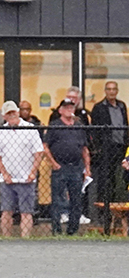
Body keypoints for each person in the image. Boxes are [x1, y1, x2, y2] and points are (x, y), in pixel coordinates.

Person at [0, 100, 44, 237]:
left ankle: (25, 238)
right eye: (8, 114)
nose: (12, 115)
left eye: (13, 112)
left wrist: (33, 173)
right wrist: (5, 174)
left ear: (18, 112)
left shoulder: (30, 128)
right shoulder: (0, 131)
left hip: (26, 178)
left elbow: (38, 153)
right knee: (6, 211)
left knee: (26, 212)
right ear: (4, 116)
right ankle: (6, 238)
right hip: (7, 180)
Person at [45, 97, 92, 235]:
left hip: (76, 166)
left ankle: (73, 230)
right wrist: (54, 164)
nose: (69, 110)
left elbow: (84, 149)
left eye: (71, 107)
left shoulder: (79, 126)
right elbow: (45, 146)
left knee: (76, 199)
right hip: (60, 166)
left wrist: (87, 168)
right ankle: (56, 229)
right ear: (60, 110)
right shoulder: (54, 126)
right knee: (57, 199)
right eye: (66, 107)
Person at [89, 81, 128, 230]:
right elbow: (95, 130)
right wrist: (99, 148)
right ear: (105, 91)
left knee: (121, 181)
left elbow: (125, 124)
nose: (111, 92)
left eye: (114, 89)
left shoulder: (122, 106)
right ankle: (103, 216)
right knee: (106, 182)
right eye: (109, 89)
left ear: (117, 91)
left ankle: (120, 216)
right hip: (107, 150)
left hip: (121, 148)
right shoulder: (99, 107)